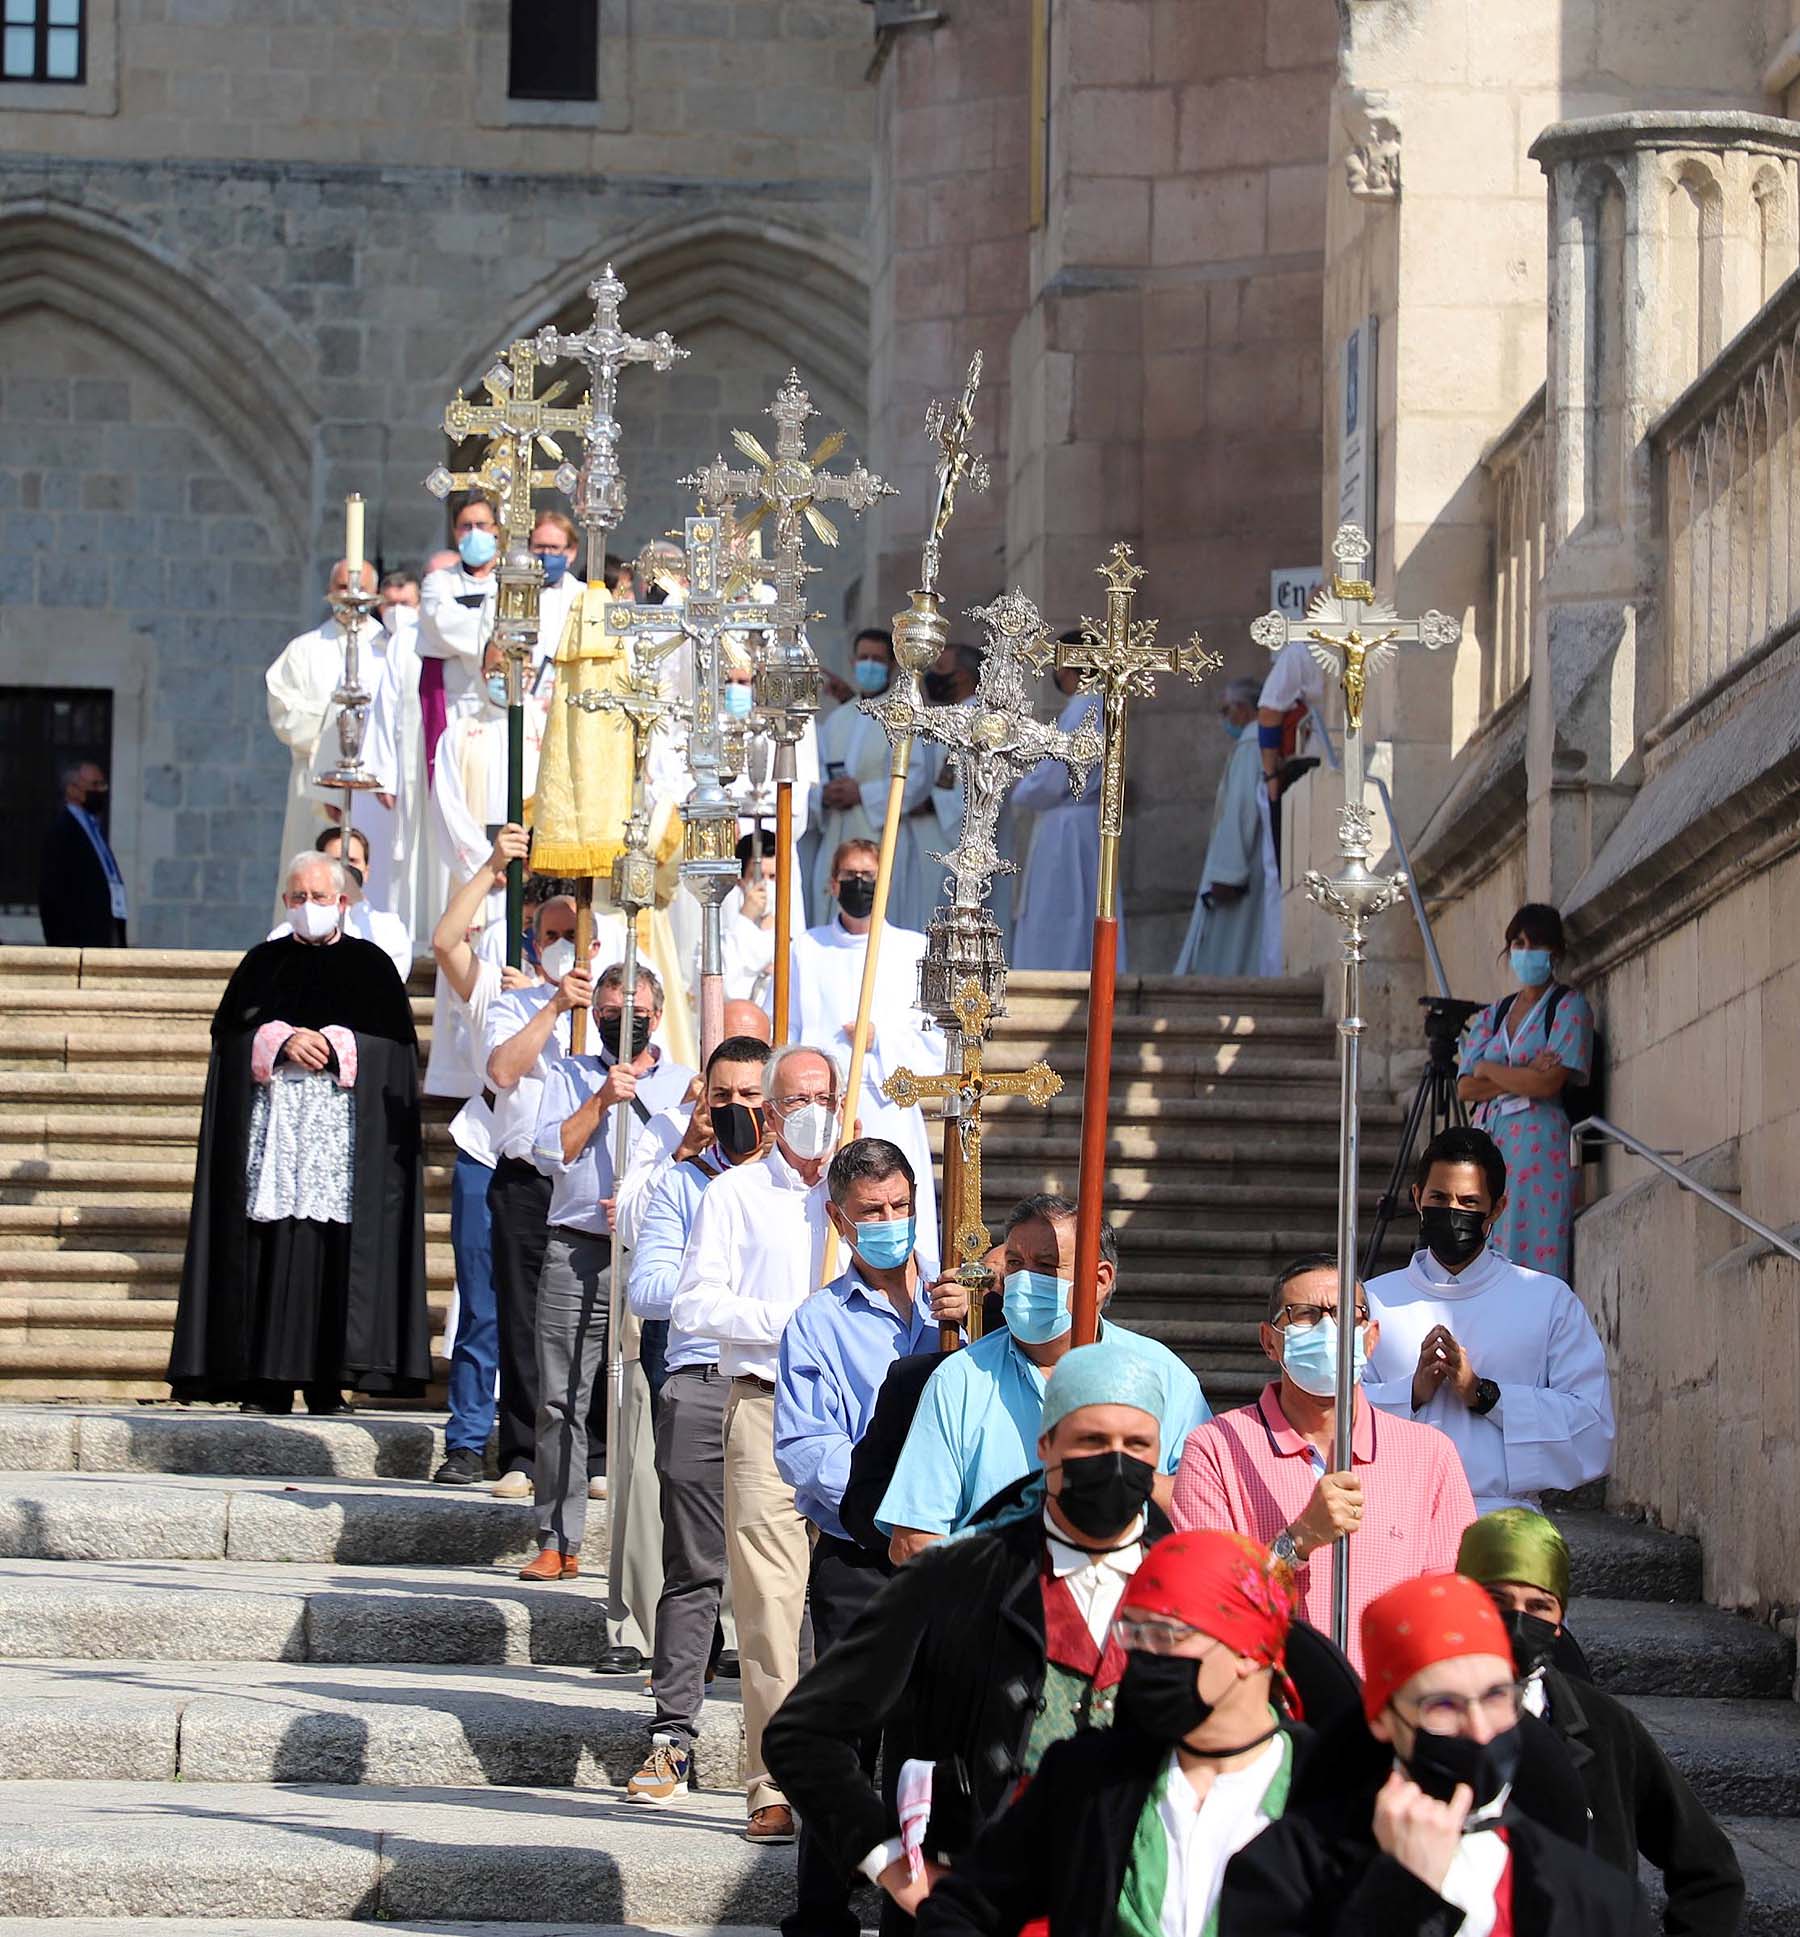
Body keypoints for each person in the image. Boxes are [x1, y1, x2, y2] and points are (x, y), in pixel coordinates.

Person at [764, 1341, 1180, 1918]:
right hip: (981, 1905)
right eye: (1090, 1442)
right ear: (1046, 1446)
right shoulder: (958, 1577)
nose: (1114, 1462)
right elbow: (802, 1735)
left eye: (1136, 1445)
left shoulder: (1192, 1583)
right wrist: (890, 1858)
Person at [914, 1528, 1309, 1937]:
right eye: (1132, 1634)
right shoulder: (1086, 1778)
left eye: (1164, 1635)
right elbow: (962, 1908)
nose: (1143, 1655)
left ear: (1247, 1650)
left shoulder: (1332, 1791)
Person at [1222, 1571, 1651, 1937]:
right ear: (1383, 1718)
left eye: (1496, 1697)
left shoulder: (1603, 1901)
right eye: (1443, 1706)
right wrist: (1399, 1893)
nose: (1480, 1730)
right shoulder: (1282, 1869)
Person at [773, 1137, 963, 1937]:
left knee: (932, 1737)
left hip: (949, 1549)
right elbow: (804, 1446)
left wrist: (966, 1322)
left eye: (900, 1208)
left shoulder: (957, 1306)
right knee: (848, 1734)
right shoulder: (817, 1322)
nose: (889, 1224)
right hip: (861, 1551)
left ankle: (913, 1910)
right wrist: (887, 1506)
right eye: (871, 1214)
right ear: (839, 1220)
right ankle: (823, 1907)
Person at [167, 851, 429, 1413]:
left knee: (333, 1250)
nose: (307, 907)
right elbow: (229, 1040)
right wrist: (276, 1041)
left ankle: (327, 1381)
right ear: (286, 902)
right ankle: (261, 1380)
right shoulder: (262, 964)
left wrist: (340, 1045)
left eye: (318, 897)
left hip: (340, 1141)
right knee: (269, 1242)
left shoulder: (372, 967)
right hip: (273, 1135)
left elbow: (398, 1053)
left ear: (342, 901)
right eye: (297, 898)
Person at [670, 1043, 845, 1845]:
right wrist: (793, 1322)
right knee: (771, 1609)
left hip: (857, 1420)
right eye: (796, 1098)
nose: (812, 1110)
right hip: (769, 1409)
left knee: (849, 1604)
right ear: (769, 1112)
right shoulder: (735, 1195)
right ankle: (772, 1780)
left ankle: (848, 1770)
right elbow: (696, 1303)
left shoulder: (867, 1193)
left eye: (825, 1096)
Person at [1171, 1255, 1475, 1671]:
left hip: (1383, 1710)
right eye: (1304, 1316)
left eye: (1346, 1315)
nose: (1328, 1330)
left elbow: (1449, 1603)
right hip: (1265, 1705)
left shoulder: (1430, 1456)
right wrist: (1296, 1542)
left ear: (1370, 1338)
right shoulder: (1216, 1449)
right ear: (1269, 1340)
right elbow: (1205, 1602)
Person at [877, 1192, 1210, 1558]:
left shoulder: (1164, 1376)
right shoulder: (960, 1380)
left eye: (1046, 1265)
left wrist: (1126, 1475)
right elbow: (911, 1540)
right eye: (1016, 1264)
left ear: (1099, 1280)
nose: (1025, 1280)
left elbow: (1210, 1514)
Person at [1458, 1510, 1745, 1935]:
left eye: (1539, 1606)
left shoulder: (1606, 1727)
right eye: (1497, 1600)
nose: (1518, 1621)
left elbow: (1710, 1870)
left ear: (1559, 1623)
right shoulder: (1416, 1720)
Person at [623, 1032, 774, 1803]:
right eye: (726, 1097)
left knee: (786, 1575)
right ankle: (671, 1737)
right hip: (702, 1381)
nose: (740, 1110)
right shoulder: (683, 1188)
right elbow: (647, 1290)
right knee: (695, 1565)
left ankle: (782, 1752)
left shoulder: (801, 1189)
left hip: (782, 1388)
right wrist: (714, 1287)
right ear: (705, 1104)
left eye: (754, 1095)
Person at [524, 962, 694, 1578]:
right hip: (580, 1247)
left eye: (639, 1013)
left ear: (659, 1014)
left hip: (651, 1251)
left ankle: (654, 1542)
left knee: (655, 1398)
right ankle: (558, 1536)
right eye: (613, 1013)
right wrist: (602, 1098)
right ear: (595, 1016)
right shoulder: (568, 1074)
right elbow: (551, 1153)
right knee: (561, 1394)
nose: (626, 1024)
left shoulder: (682, 1083)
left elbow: (693, 1156)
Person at [1363, 1126, 1614, 1514]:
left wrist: (1485, 1395)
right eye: (1439, 1198)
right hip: (1397, 1515)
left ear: (1497, 1208)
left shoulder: (1546, 1300)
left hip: (1504, 1520)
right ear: (1417, 1198)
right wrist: (1411, 1392)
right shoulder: (1372, 1300)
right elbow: (1329, 1412)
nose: (1452, 1212)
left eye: (1469, 1202)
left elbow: (1592, 1428)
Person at [427, 829, 536, 1485]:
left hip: (547, 1157)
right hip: (483, 1147)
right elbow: (446, 940)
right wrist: (492, 866)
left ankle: (534, 1442)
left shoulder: (585, 992)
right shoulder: (492, 980)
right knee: (480, 1301)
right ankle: (468, 1437)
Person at [783, 837, 940, 1262]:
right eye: (849, 876)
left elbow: (935, 1043)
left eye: (869, 877)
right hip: (824, 1109)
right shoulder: (806, 950)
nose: (859, 884)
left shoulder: (913, 951)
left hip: (889, 1106)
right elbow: (787, 1032)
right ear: (832, 884)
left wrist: (880, 1039)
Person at [481, 889, 587, 1499]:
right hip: (525, 1178)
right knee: (522, 1318)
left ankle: (591, 1451)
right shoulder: (514, 1005)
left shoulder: (612, 1009)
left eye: (573, 935)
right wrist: (551, 1005)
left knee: (590, 1319)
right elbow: (501, 1071)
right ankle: (523, 1452)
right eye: (550, 937)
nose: (561, 946)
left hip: (585, 1178)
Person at [1457, 903, 1596, 1277]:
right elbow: (1466, 1086)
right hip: (1492, 1140)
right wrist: (1518, 1073)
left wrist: (1492, 1069)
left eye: (1534, 945)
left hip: (1540, 1146)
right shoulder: (1495, 1014)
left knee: (1536, 1249)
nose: (1524, 952)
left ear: (1554, 952)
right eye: (1517, 943)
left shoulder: (1568, 1007)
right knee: (1486, 1240)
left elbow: (1549, 1082)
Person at [808, 628, 943, 934]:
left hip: (881, 833)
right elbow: (815, 774)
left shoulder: (904, 717)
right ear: (852, 661)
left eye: (877, 659)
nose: (869, 664)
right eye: (863, 657)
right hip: (837, 835)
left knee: (883, 916)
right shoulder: (838, 719)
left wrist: (863, 794)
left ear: (892, 666)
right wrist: (824, 795)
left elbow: (918, 778)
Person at [265, 558, 381, 912]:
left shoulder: (389, 648)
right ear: (330, 593)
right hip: (313, 781)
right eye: (344, 587)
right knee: (310, 867)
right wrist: (336, 731)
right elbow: (284, 713)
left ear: (374, 595)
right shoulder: (304, 649)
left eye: (360, 588)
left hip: (374, 786)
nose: (351, 595)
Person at [429, 638, 546, 939]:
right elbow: (448, 807)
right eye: (496, 669)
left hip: (537, 870)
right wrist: (490, 863)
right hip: (480, 871)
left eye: (515, 667)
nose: (506, 676)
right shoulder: (459, 734)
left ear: (530, 670)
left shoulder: (549, 728)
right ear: (482, 672)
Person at [1010, 655, 1110, 974]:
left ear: (1066, 666)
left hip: (1068, 825)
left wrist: (1020, 787)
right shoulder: (1104, 704)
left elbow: (1054, 779)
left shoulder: (1084, 708)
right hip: (1086, 820)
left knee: (1060, 915)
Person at [1173, 676, 1280, 977]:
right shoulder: (1256, 744)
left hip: (1242, 869)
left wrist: (1228, 873)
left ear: (1245, 710)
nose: (1224, 720)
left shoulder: (1250, 746)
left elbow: (1240, 810)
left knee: (1229, 949)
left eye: (1226, 710)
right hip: (1254, 859)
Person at [924, 641, 1018, 949]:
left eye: (940, 668)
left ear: (964, 676)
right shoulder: (993, 717)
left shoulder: (966, 721)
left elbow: (953, 787)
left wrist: (925, 803)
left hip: (963, 830)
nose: (933, 676)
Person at [417, 491, 499, 778]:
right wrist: (490, 642)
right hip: (452, 706)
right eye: (466, 526)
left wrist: (471, 637)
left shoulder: (511, 583)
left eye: (482, 525)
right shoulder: (437, 582)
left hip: (499, 705)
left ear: (497, 529)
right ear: (454, 532)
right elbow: (439, 625)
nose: (474, 532)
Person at [264, 827, 413, 979]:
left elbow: (391, 981)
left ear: (366, 871)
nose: (343, 870)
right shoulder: (285, 933)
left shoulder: (389, 929)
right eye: (334, 862)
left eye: (352, 861)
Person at [38, 759, 127, 947]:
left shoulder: (94, 830)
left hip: (108, 933)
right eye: (95, 785)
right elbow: (51, 894)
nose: (101, 790)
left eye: (103, 784)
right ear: (72, 790)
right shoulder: (61, 831)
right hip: (80, 941)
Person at [530, 509, 586, 683]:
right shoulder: (506, 593)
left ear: (571, 552)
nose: (546, 554)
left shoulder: (584, 596)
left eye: (554, 548)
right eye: (539, 547)